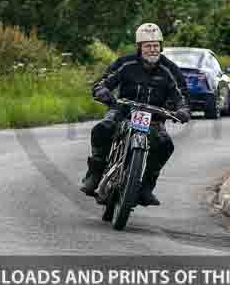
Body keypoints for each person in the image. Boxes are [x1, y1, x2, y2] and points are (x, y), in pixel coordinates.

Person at [80, 23, 190, 206]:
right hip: (122, 110)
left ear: (161, 47)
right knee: (102, 128)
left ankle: (146, 187)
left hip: (154, 117)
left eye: (156, 46)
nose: (152, 50)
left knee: (165, 144)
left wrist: (183, 109)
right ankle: (95, 174)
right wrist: (102, 90)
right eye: (148, 46)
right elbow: (103, 81)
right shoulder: (125, 63)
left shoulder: (170, 69)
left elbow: (181, 94)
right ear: (139, 47)